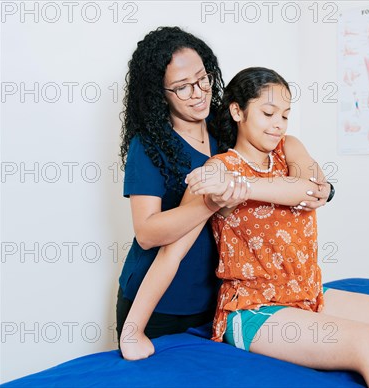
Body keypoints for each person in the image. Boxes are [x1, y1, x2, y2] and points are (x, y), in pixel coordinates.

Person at [163, 67, 369, 387]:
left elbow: (311, 188)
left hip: (307, 294)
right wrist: (134, 329)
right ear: (237, 111)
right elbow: (171, 251)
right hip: (251, 309)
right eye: (268, 113)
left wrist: (247, 187)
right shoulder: (219, 170)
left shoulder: (287, 148)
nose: (278, 124)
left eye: (285, 115)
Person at [117, 27, 332, 360]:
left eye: (202, 79)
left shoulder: (225, 131)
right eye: (182, 87)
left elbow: (276, 159)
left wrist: (316, 179)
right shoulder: (148, 147)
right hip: (160, 305)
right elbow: (147, 234)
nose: (198, 92)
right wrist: (211, 202)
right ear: (160, 93)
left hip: (216, 298)